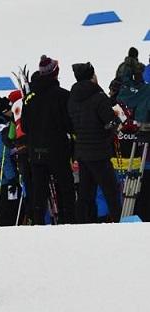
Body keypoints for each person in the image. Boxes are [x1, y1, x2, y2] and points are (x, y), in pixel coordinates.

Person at [21, 55, 76, 225]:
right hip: (57, 149)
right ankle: (69, 221)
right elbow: (69, 123)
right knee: (65, 187)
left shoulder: (29, 98)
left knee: (39, 190)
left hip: (36, 151)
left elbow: (24, 126)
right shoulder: (63, 95)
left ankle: (38, 222)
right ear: (56, 72)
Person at [68, 62, 122, 222]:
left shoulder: (72, 98)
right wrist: (118, 118)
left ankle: (84, 223)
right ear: (92, 76)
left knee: (85, 193)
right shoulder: (99, 97)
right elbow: (111, 123)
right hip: (99, 152)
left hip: (82, 152)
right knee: (111, 191)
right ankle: (119, 222)